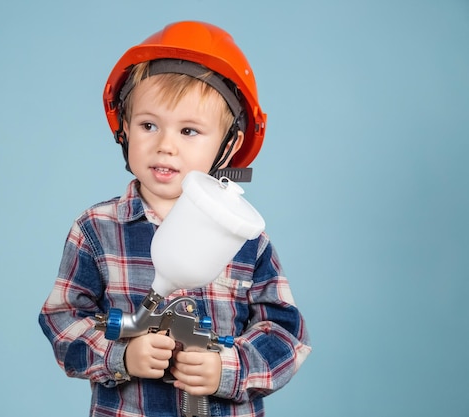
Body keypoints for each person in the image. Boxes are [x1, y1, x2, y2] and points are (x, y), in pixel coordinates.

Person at [39, 21, 311, 417]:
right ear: (123, 130)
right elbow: (62, 321)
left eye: (189, 131)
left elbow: (287, 336)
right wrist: (122, 356)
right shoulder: (97, 230)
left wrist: (226, 370)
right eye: (149, 125)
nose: (165, 145)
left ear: (229, 145)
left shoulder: (244, 237)